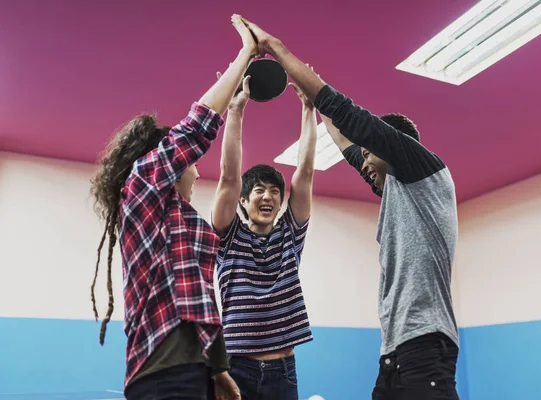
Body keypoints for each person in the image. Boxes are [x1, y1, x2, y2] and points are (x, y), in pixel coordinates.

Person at [238, 16, 461, 400]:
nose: (364, 166)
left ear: (392, 149)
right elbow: (350, 145)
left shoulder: (426, 173)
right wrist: (312, 105)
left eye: (371, 156)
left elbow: (350, 118)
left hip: (427, 344)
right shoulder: (397, 190)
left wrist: (275, 48)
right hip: (395, 352)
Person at [88, 14, 257, 400]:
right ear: (173, 165)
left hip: (194, 372)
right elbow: (195, 129)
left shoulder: (187, 223)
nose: (197, 175)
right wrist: (245, 54)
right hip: (160, 373)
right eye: (192, 165)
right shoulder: (143, 189)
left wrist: (218, 370)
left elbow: (199, 296)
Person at [211, 61, 318, 399]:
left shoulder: (290, 234)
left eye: (274, 190)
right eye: (259, 190)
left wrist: (308, 108)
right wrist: (236, 110)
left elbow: (304, 173)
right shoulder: (229, 237)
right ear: (243, 201)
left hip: (282, 372)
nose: (268, 195)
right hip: (236, 367)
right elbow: (229, 176)